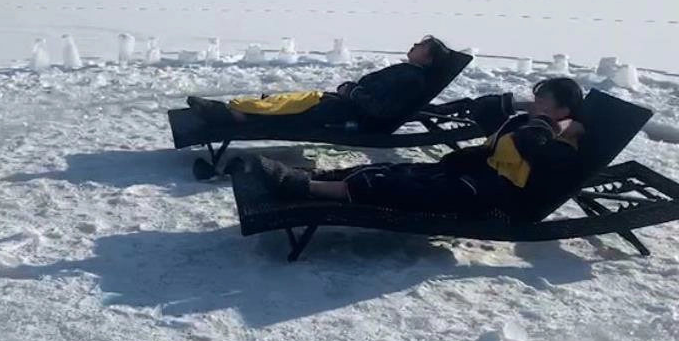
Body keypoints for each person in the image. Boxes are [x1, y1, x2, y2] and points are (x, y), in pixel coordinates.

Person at [241, 77, 586, 221]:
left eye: (542, 100)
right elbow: (484, 113)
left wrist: (548, 124)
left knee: (392, 185)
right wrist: (521, 105)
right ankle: (309, 178)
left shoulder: (554, 140)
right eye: (536, 97)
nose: (535, 102)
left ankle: (301, 186)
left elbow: (534, 151)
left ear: (562, 112)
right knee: (397, 169)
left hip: (483, 195)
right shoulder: (535, 123)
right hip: (471, 177)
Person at [186, 35, 451, 132]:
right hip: (348, 105)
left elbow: (382, 110)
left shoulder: (412, 80)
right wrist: (352, 89)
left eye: (421, 45)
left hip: (354, 116)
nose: (414, 45)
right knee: (292, 100)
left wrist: (353, 91)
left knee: (297, 110)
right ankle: (244, 109)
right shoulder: (408, 73)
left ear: (427, 58)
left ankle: (234, 116)